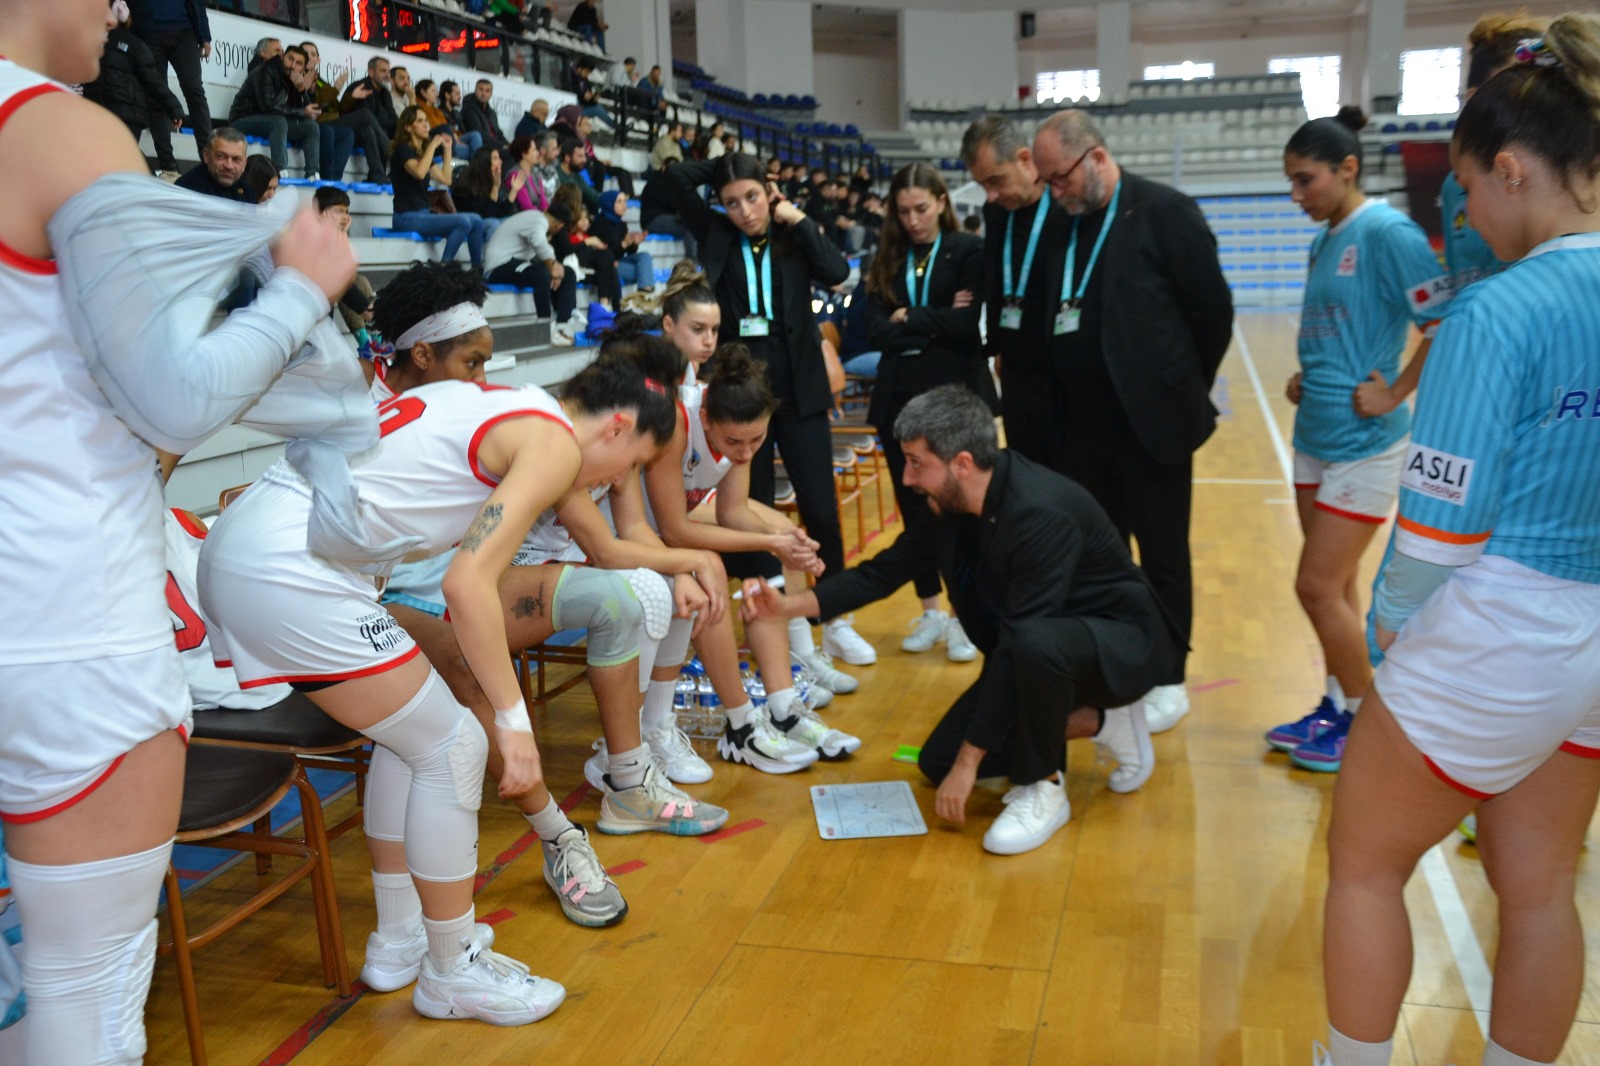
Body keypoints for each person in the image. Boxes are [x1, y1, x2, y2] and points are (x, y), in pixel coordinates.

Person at [0, 4, 356, 1058]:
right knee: (84, 994)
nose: (119, 11)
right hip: (59, 617)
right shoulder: (57, 127)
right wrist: (300, 289)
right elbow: (170, 402)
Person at [197, 301, 677, 1026]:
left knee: (417, 735)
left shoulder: (493, 399)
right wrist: (513, 723)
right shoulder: (551, 444)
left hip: (261, 548)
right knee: (458, 745)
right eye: (630, 463)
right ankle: (452, 968)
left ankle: (400, 940)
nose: (614, 480)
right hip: (291, 566)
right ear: (615, 426)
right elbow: (466, 583)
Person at [1317, 16, 1600, 1066]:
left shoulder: (1497, 311)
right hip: (1592, 636)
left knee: (1362, 862)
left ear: (1514, 168)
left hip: (1499, 620)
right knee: (1538, 890)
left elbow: (1435, 538)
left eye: (1470, 186)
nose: (1464, 212)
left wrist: (1389, 640)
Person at [743, 386, 1178, 854]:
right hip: (1041, 650)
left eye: (916, 462)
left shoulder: (1039, 512)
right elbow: (882, 573)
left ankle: (1044, 786)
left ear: (962, 463)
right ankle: (1103, 722)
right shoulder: (949, 504)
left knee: (1029, 650)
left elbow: (1020, 641)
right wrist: (789, 607)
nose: (907, 477)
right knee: (938, 761)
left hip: (1121, 644)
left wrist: (972, 763)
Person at [1026, 109, 1234, 735]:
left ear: (1095, 157)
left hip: (1153, 427)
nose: (1053, 191)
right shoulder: (1064, 226)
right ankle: (1118, 670)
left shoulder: (1165, 212)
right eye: (1045, 182)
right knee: (1103, 560)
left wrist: (1177, 387)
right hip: (1083, 432)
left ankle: (1169, 675)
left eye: (1058, 177)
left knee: (1164, 556)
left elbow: (1212, 314)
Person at [1261, 109, 1452, 774]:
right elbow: (1340, 330)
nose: (1295, 195)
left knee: (1315, 586)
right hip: (1314, 433)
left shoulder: (1387, 231)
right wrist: (1305, 376)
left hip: (1366, 444)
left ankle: (1367, 724)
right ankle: (1336, 704)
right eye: (1289, 181)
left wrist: (1396, 392)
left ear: (1347, 169)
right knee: (1334, 589)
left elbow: (1443, 318)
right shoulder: (1325, 237)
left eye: (1304, 179)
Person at [664, 152, 878, 666]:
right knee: (752, 515)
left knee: (820, 509)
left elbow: (836, 271)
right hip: (740, 396)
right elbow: (673, 176)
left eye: (753, 197)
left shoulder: (791, 234)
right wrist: (724, 170)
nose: (743, 210)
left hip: (800, 389)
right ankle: (777, 631)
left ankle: (834, 620)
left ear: (771, 191)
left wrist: (795, 215)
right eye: (731, 201)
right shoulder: (717, 232)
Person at [650, 265, 863, 706]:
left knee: (779, 531)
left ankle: (798, 662)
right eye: (697, 329)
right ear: (668, 325)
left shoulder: (713, 393)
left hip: (683, 506)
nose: (709, 339)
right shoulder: (667, 400)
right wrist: (769, 542)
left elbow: (733, 508)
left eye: (714, 329)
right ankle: (757, 700)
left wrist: (782, 540)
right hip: (645, 520)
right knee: (753, 546)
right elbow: (673, 528)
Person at [865, 162, 987, 664]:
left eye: (922, 208)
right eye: (903, 211)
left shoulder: (967, 251)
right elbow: (872, 329)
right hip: (898, 396)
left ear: (941, 201)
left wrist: (910, 316)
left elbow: (968, 324)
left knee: (961, 509)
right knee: (913, 508)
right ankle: (931, 611)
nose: (913, 220)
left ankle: (964, 618)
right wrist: (934, 320)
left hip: (954, 394)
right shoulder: (888, 256)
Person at [82, 0, 184, 173]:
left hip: (101, 112)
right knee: (120, 163)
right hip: (127, 115)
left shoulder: (91, 41)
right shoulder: (134, 45)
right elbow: (154, 80)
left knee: (110, 163)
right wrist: (174, 108)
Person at [390, 105, 488, 270]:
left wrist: (448, 150)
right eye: (420, 121)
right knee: (462, 222)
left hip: (423, 214)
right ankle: (442, 270)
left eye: (426, 121)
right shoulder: (402, 149)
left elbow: (446, 179)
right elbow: (419, 173)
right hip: (406, 217)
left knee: (477, 220)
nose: (426, 125)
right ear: (408, 127)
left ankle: (477, 270)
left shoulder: (422, 153)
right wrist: (432, 146)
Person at [126, 0, 212, 177]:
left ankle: (209, 160)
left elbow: (198, 3)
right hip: (148, 32)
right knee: (157, 97)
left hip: (185, 32)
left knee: (195, 92)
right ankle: (168, 166)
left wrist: (205, 36)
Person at [228, 44, 321, 176]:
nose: (292, 65)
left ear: (303, 67)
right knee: (279, 121)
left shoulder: (293, 79)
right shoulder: (266, 70)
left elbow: (306, 112)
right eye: (290, 59)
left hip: (272, 123)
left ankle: (313, 173)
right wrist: (302, 112)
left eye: (299, 63)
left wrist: (301, 89)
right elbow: (268, 107)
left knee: (311, 126)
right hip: (242, 119)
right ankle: (280, 170)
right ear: (282, 57)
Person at [304, 41, 386, 184]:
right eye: (305, 54)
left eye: (313, 54)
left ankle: (378, 175)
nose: (309, 57)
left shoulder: (321, 81)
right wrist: (335, 89)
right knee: (364, 114)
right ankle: (392, 151)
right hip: (316, 124)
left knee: (366, 130)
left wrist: (352, 98)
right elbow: (317, 106)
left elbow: (337, 109)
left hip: (330, 122)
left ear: (318, 59)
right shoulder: (299, 79)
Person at [484, 199, 571, 325]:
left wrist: (555, 267)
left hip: (512, 263)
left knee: (567, 273)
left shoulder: (534, 219)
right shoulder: (538, 219)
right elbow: (538, 242)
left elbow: (545, 248)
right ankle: (545, 325)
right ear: (560, 226)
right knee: (541, 274)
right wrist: (552, 266)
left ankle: (562, 324)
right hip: (497, 267)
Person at [590, 188, 655, 293]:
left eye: (625, 201)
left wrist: (634, 243)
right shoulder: (599, 224)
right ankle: (644, 296)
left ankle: (644, 293)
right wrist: (625, 243)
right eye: (619, 201)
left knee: (644, 256)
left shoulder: (621, 224)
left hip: (618, 261)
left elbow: (627, 252)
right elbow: (605, 254)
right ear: (609, 204)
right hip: (606, 264)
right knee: (642, 272)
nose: (624, 205)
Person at [450, 146, 516, 243]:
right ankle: (493, 257)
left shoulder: (491, 180)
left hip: (484, 219)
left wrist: (514, 190)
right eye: (495, 158)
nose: (500, 161)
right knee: (493, 224)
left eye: (499, 158)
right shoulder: (468, 183)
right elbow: (485, 215)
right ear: (485, 162)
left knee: (512, 221)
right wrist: (494, 188)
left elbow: (499, 212)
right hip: (467, 222)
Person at [640, 159, 697, 260]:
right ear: (663, 167)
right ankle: (692, 262)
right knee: (690, 225)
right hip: (652, 220)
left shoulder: (673, 183)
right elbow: (673, 202)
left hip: (668, 218)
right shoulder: (655, 183)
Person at [174, 126, 249, 199]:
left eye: (236, 159)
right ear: (206, 155)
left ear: (245, 163)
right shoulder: (185, 189)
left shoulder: (247, 192)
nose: (229, 166)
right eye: (221, 156)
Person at [341, 55, 399, 141]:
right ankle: (390, 152)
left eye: (389, 72)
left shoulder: (386, 92)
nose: (388, 75)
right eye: (383, 71)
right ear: (371, 72)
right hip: (355, 131)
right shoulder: (360, 87)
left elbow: (394, 119)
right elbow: (368, 118)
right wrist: (387, 122)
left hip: (380, 131)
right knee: (368, 130)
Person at [461, 79, 507, 151]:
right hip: (483, 148)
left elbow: (498, 132)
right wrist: (501, 146)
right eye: (481, 90)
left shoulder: (491, 112)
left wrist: (508, 145)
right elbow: (479, 134)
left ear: (491, 94)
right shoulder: (469, 109)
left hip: (496, 146)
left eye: (487, 91)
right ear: (475, 90)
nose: (484, 94)